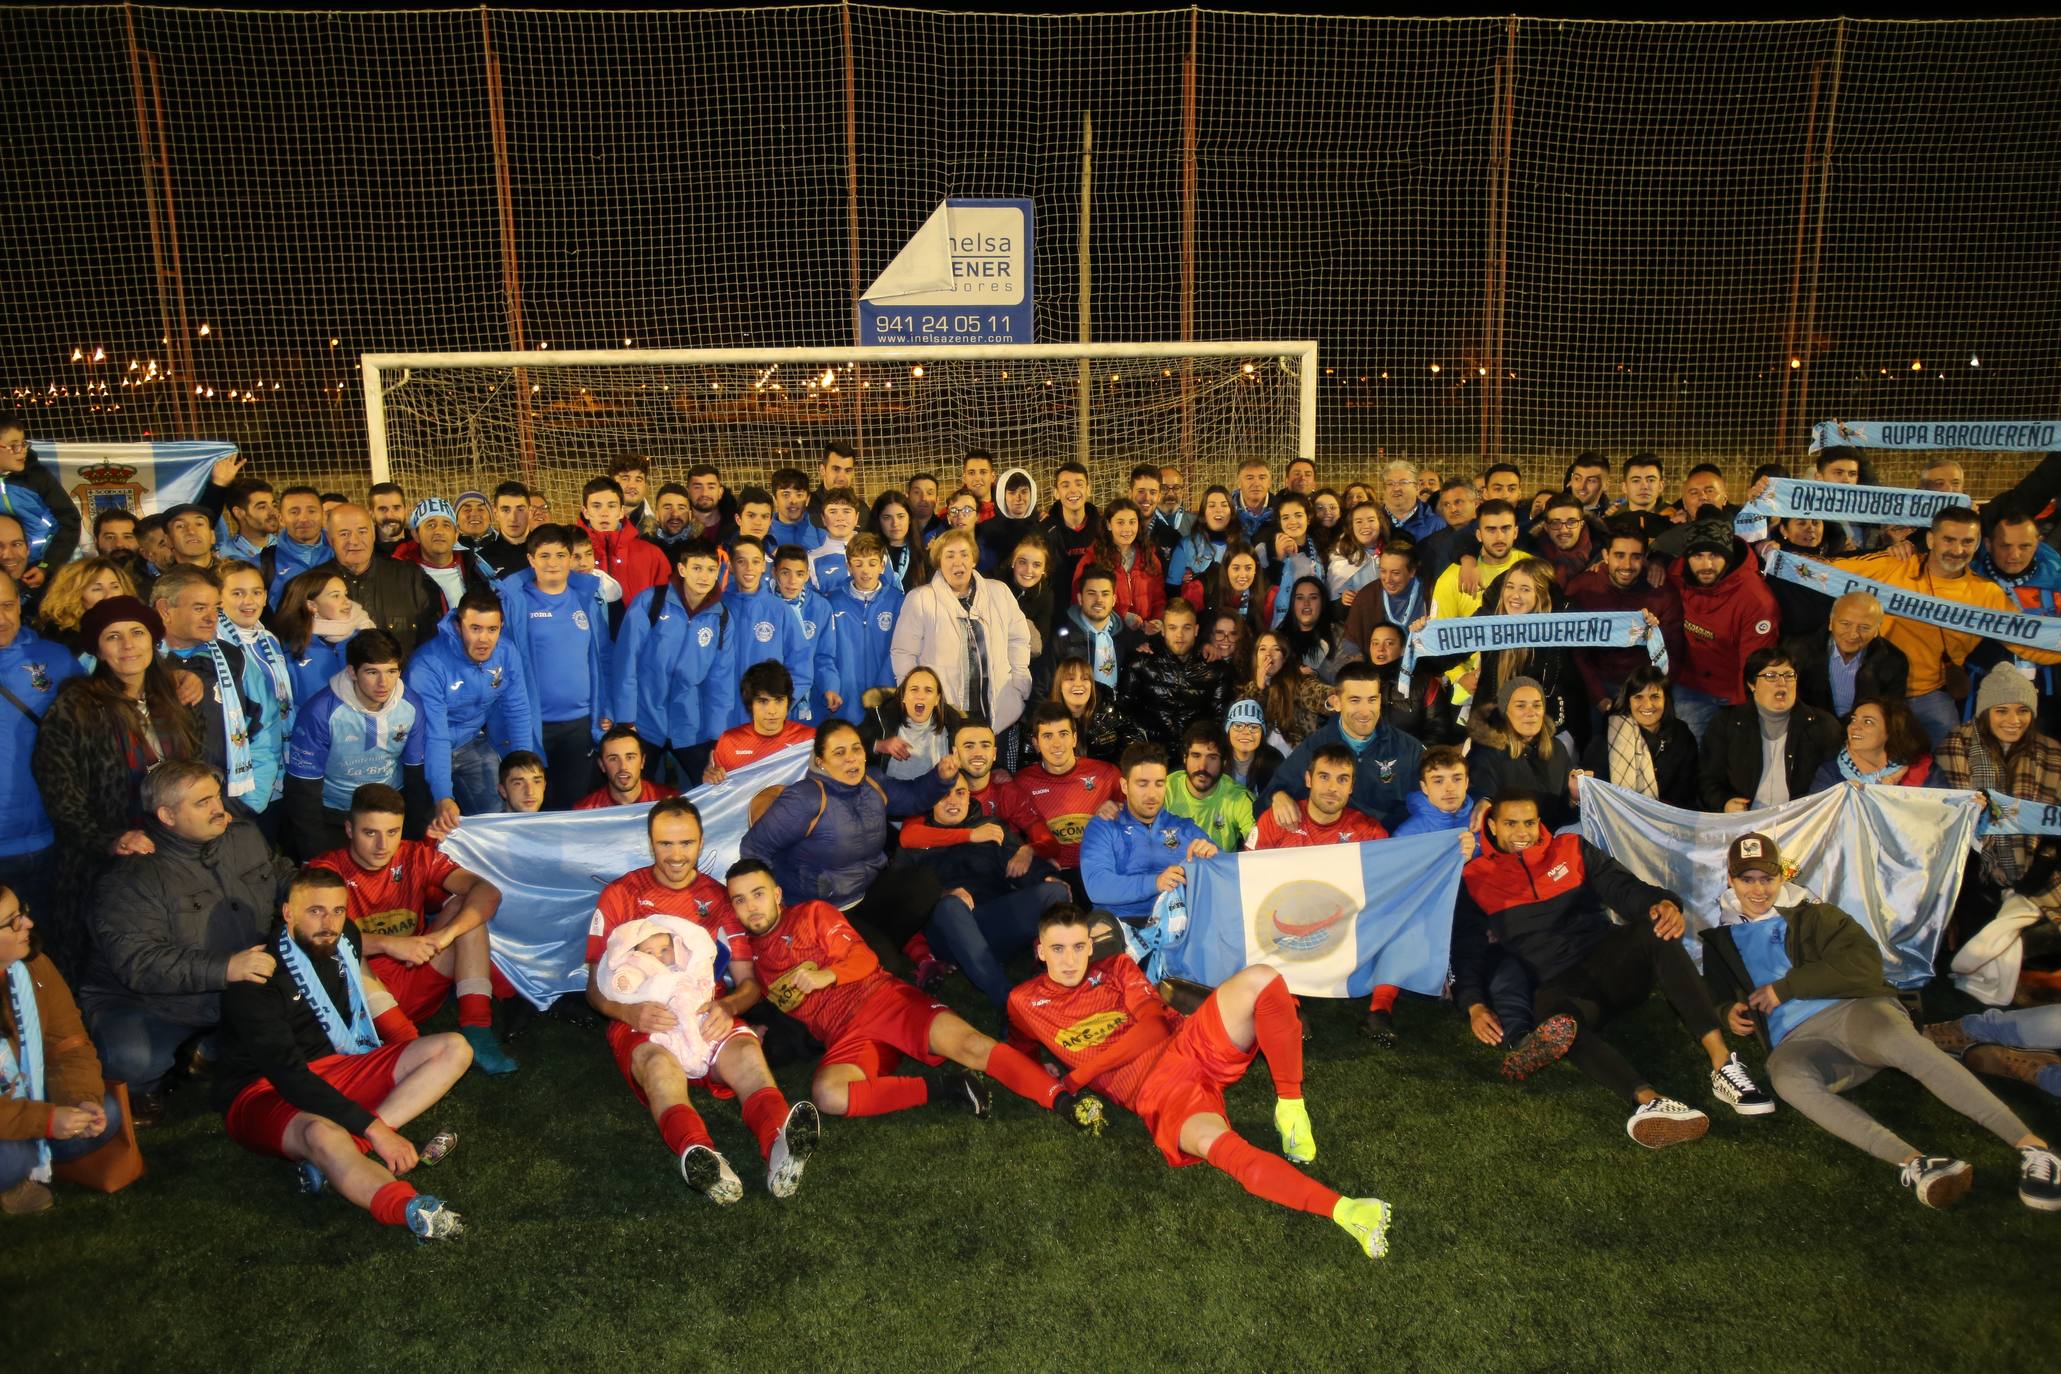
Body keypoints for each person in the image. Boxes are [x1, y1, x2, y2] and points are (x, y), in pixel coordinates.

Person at [1008, 906, 1393, 1259]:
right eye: (1057, 949)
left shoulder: (1117, 968)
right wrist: (1046, 1066)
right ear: (1039, 950)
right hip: (1157, 1092)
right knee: (1223, 1149)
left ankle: (1290, 1106)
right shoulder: (1023, 1002)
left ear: (1091, 946)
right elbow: (1020, 1051)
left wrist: (1077, 1076)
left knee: (1264, 978)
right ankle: (1350, 1210)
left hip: (1190, 1043)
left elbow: (1155, 1029)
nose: (1070, 960)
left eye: (1078, 947)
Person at [1703, 832, 2060, 1211]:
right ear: (1730, 879)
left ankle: (2034, 1148)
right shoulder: (1719, 939)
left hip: (1855, 1011)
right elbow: (1716, 993)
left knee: (1907, 1046)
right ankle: (1917, 1163)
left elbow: (1863, 964)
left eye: (1766, 879)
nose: (1758, 890)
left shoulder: (1814, 913)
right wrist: (1727, 1011)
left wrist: (1786, 988)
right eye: (1747, 879)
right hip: (1797, 1041)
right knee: (1787, 1079)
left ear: (1780, 878)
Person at [1460, 793, 1772, 1147]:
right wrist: (1474, 1004)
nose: (1522, 832)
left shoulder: (1571, 848)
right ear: (1492, 825)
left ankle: (1722, 1064)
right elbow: (1466, 948)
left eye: (1529, 822)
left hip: (1611, 965)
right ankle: (1651, 1102)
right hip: (1561, 986)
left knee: (1655, 926)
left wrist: (1662, 902)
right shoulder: (1475, 876)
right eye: (1511, 823)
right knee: (1553, 1023)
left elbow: (1621, 886)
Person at [725, 859, 1099, 1126]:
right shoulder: (751, 960)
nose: (751, 907)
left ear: (776, 894)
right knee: (828, 1095)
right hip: (846, 1036)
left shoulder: (811, 914)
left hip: (883, 1000)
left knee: (970, 1045)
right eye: (740, 900)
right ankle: (946, 1087)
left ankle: (1061, 1099)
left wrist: (827, 975)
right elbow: (753, 1000)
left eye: (758, 894)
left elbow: (863, 958)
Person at [216, 866, 470, 1240]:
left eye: (338, 911)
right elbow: (289, 1075)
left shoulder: (344, 936)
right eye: (315, 911)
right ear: (288, 913)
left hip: (340, 1062)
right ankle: (409, 1208)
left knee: (453, 1047)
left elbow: (367, 983)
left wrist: (403, 1039)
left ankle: (349, 1148)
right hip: (263, 1089)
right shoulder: (256, 978)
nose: (329, 923)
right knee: (320, 1132)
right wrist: (377, 1129)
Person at [585, 800, 819, 1202]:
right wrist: (628, 1011)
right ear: (650, 842)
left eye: (686, 843)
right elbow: (593, 986)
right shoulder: (620, 895)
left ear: (702, 841)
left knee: (747, 1055)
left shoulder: (718, 897)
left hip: (703, 1010)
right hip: (644, 1017)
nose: (676, 855)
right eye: (665, 843)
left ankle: (781, 1145)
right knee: (660, 1070)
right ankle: (701, 1155)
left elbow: (748, 984)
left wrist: (726, 1008)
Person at [80, 760, 290, 1124]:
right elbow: (141, 963)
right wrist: (226, 968)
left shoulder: (242, 835)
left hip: (237, 985)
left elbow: (277, 872)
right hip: (151, 1003)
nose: (219, 808)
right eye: (203, 802)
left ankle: (208, 1048)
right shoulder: (131, 877)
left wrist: (315, 890)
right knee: (133, 1058)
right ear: (167, 815)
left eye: (217, 796)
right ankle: (141, 1086)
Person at [31, 597, 209, 977]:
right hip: (102, 866)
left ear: (152, 639)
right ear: (97, 648)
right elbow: (61, 796)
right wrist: (110, 840)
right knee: (108, 969)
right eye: (113, 637)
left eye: (137, 633)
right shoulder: (75, 706)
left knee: (174, 958)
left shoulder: (176, 698)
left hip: (174, 857)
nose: (128, 645)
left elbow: (195, 769)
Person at [309, 784, 516, 1074]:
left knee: (465, 909)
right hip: (366, 1000)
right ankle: (403, 1039)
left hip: (416, 972)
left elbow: (487, 891)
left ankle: (477, 1030)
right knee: (340, 948)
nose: (383, 845)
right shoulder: (327, 870)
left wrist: (444, 935)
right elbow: (319, 939)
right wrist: (388, 944)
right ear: (349, 829)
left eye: (392, 832)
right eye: (371, 833)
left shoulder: (415, 856)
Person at [739, 720, 956, 978]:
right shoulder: (804, 798)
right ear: (820, 761)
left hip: (864, 892)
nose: (851, 759)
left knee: (925, 883)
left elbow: (911, 797)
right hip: (824, 908)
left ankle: (873, 948)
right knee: (888, 966)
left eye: (856, 749)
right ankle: (873, 955)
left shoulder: (872, 783)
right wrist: (779, 912)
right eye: (839, 753)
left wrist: (940, 777)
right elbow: (754, 848)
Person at [1835, 505, 2061, 746]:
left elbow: (2027, 640)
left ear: (1977, 545)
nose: (1958, 550)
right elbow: (1821, 570)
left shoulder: (1986, 594)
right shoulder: (1894, 564)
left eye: (1967, 542)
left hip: (1931, 695)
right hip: (1874, 689)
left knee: (1952, 752)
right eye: (1949, 540)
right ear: (1931, 539)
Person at [0, 884, 125, 1217]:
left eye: (22, 911)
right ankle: (19, 1172)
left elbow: (68, 1043)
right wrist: (47, 1120)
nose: (28, 923)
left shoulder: (34, 966)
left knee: (106, 1114)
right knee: (12, 1161)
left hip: (23, 1105)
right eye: (12, 921)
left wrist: (79, 1099)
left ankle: (34, 1151)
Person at [892, 775, 1070, 1008]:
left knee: (1055, 891)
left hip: (992, 920)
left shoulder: (989, 827)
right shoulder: (916, 836)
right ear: (931, 799)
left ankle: (1060, 975)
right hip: (949, 931)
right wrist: (943, 893)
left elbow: (1018, 860)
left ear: (969, 796)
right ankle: (1007, 1001)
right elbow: (899, 891)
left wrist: (1043, 876)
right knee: (951, 906)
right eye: (944, 794)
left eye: (960, 792)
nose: (952, 800)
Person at [1368, 746, 1491, 1047]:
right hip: (1420, 916)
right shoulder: (1409, 830)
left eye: (1456, 779)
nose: (1449, 789)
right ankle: (1378, 1010)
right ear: (1423, 787)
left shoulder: (1484, 822)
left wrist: (1475, 853)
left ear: (1467, 782)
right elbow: (1397, 885)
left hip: (1472, 916)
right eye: (1438, 781)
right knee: (1400, 932)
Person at [1931, 668, 2061, 948]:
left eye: (2023, 711)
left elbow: (2056, 822)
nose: (2014, 721)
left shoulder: (2052, 752)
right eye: (2001, 711)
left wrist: (2045, 861)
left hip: (2041, 863)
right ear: (1985, 712)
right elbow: (1950, 819)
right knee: (1986, 946)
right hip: (1974, 866)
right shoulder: (1957, 745)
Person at [283, 629, 426, 861]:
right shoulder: (320, 712)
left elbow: (416, 775)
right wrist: (313, 855)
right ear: (351, 672)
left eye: (392, 671)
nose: (384, 683)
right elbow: (303, 790)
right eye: (372, 672)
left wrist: (418, 835)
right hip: (335, 816)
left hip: (388, 815)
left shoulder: (411, 705)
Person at [495, 523, 610, 810]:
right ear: (531, 559)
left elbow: (602, 657)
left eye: (560, 555)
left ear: (571, 559)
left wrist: (606, 709)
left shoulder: (586, 597)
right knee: (532, 806)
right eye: (544, 556)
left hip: (580, 723)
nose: (553, 563)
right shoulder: (515, 601)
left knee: (572, 804)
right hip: (534, 724)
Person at [404, 590, 536, 827]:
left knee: (497, 818)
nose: (484, 639)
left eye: (492, 629)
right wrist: (443, 796)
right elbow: (436, 734)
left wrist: (524, 767)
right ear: (457, 626)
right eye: (475, 628)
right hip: (422, 749)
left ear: (501, 627)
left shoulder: (506, 653)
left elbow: (517, 710)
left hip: (471, 740)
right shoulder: (427, 664)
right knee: (435, 825)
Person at [611, 537, 732, 780]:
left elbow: (721, 682)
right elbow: (626, 662)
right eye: (697, 568)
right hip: (644, 721)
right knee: (638, 795)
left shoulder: (721, 617)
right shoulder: (651, 602)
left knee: (711, 789)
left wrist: (717, 736)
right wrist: (626, 719)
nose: (704, 577)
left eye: (711, 570)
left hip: (690, 726)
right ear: (682, 569)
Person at [890, 528, 1033, 733]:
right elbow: (904, 653)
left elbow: (1018, 639)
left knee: (997, 765)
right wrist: (915, 701)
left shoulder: (999, 592)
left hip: (1000, 711)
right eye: (949, 555)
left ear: (974, 560)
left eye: (964, 554)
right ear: (938, 562)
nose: (958, 562)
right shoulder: (920, 599)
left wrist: (1019, 686)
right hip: (943, 718)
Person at [0, 571, 82, 923]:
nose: (2, 618)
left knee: (49, 950)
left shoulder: (54, 659)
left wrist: (177, 678)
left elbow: (110, 707)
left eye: (7, 605)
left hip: (50, 839)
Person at [1260, 662, 1420, 829]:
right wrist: (1278, 796)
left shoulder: (1408, 748)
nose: (1365, 711)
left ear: (1379, 700)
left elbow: (1432, 804)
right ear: (1336, 702)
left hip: (1390, 846)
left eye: (1371, 700)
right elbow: (1264, 801)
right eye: (1355, 700)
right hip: (1336, 848)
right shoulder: (1316, 746)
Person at [1080, 743, 1220, 929]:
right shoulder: (1103, 826)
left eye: (1159, 784)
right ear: (1124, 785)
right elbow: (1097, 887)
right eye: (1142, 784)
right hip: (1118, 923)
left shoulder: (1185, 828)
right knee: (1100, 933)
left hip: (1176, 922)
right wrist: (1155, 882)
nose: (1152, 794)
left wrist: (1214, 854)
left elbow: (1224, 875)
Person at [996, 701, 1124, 892]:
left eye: (1063, 734)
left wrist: (1121, 810)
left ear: (1074, 739)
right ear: (1036, 744)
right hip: (1053, 875)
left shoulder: (1107, 774)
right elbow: (1010, 835)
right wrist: (1033, 855)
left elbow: (1138, 820)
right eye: (1047, 736)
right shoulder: (1022, 783)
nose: (1056, 744)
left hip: (1102, 871)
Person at [1700, 647, 1842, 812]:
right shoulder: (1726, 723)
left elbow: (1835, 782)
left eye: (1789, 675)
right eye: (1771, 676)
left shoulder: (1823, 725)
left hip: (1801, 822)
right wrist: (1724, 802)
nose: (1782, 682)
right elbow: (1707, 779)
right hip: (1743, 821)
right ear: (1752, 684)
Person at [1565, 523, 1687, 714]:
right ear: (1606, 556)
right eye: (1619, 555)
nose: (1627, 566)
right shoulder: (1582, 588)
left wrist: (1652, 693)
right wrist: (1598, 696)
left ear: (1645, 558)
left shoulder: (1662, 591)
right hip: (1596, 684)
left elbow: (1674, 650)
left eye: (1636, 557)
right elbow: (1575, 650)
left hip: (1645, 685)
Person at [321, 503, 440, 657]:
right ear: (331, 540)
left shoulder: (410, 577)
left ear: (373, 535)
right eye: (344, 534)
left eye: (362, 532)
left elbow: (432, 640)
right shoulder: (315, 585)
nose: (354, 541)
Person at [722, 539, 815, 732]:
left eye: (756, 561)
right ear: (730, 566)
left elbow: (801, 666)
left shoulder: (779, 610)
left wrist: (777, 704)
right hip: (722, 718)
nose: (749, 568)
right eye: (741, 561)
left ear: (764, 566)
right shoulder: (716, 609)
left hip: (767, 723)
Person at [1577, 666, 1701, 810]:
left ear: (1666, 700)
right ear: (1628, 702)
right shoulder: (1606, 740)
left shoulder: (1681, 735)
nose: (1647, 705)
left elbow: (1688, 792)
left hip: (1673, 818)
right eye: (1638, 697)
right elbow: (1596, 798)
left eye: (1655, 697)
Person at [818, 532, 904, 725]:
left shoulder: (898, 601)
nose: (865, 571)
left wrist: (885, 689)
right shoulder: (830, 602)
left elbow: (901, 651)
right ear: (848, 566)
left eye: (872, 563)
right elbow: (824, 653)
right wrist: (830, 686)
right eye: (858, 564)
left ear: (882, 565)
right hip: (844, 701)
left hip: (885, 701)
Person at [1784, 591, 1909, 722]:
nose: (1853, 634)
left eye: (1865, 627)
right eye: (1845, 624)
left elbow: (1891, 713)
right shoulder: (1796, 651)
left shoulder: (1894, 661)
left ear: (1877, 630)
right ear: (1831, 622)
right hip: (1810, 728)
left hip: (1861, 732)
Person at [1123, 601, 1231, 750]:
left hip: (1195, 757)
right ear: (1163, 630)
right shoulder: (1140, 663)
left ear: (1196, 630)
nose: (1179, 635)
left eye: (1186, 628)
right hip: (1151, 758)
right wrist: (1143, 754)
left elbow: (1219, 722)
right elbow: (1125, 714)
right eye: (1172, 628)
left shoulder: (1215, 670)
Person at [1247, 742, 1388, 849]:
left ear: (1351, 786)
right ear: (1309, 779)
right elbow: (1248, 873)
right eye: (1324, 777)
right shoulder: (1276, 821)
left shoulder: (1370, 834)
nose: (1333, 788)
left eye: (1342, 779)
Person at [272, 568, 369, 715]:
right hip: (311, 731)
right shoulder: (290, 648)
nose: (347, 602)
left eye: (345, 594)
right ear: (312, 606)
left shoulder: (365, 637)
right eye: (336, 596)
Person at [579, 477, 671, 625]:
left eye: (611, 506)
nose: (604, 513)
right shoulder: (569, 553)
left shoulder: (651, 554)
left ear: (621, 511)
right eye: (596, 506)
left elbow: (666, 609)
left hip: (636, 643)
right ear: (585, 511)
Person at [0, 419, 82, 586]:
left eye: (23, 444)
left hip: (40, 571)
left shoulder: (37, 477)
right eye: (14, 445)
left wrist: (47, 566)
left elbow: (69, 522)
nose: (22, 451)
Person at [706, 662, 816, 783]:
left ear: (788, 702)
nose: (772, 711)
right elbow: (717, 793)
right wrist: (710, 781)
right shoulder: (729, 742)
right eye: (763, 702)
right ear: (750, 704)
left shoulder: (809, 740)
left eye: (779, 700)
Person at [392, 497, 494, 616]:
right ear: (416, 534)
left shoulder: (477, 570)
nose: (439, 531)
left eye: (446, 525)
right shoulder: (400, 577)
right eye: (431, 525)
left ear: (456, 534)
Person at [1165, 722, 1257, 853]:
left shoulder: (1239, 798)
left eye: (1212, 758)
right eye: (1196, 756)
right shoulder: (1163, 790)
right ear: (1185, 758)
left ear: (1224, 762)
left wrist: (1218, 858)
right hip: (1169, 870)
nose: (1202, 766)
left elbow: (1261, 846)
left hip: (1219, 870)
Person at [858, 665, 958, 782]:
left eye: (928, 690)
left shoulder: (953, 722)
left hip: (938, 795)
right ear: (903, 696)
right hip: (889, 794)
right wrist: (878, 745)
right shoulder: (881, 717)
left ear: (937, 699)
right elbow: (854, 745)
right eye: (914, 689)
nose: (920, 696)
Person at [1810, 697, 1933, 791]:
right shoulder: (1830, 773)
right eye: (1853, 719)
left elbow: (1941, 817)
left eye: (1868, 722)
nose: (1854, 727)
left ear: (1891, 731)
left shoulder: (1922, 769)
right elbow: (1820, 819)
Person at [577, 726, 679, 809]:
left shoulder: (668, 802)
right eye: (613, 759)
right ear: (602, 765)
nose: (623, 767)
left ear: (642, 761)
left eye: (630, 757)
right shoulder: (586, 811)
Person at [1224, 697, 1283, 795]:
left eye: (1254, 727)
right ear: (1228, 730)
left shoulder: (1274, 761)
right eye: (1238, 726)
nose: (1246, 732)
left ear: (1262, 733)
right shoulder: (1215, 759)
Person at [474, 481, 533, 578]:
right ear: (496, 514)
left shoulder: (546, 553)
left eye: (520, 509)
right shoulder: (483, 560)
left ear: (530, 512)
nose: (513, 518)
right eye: (506, 510)